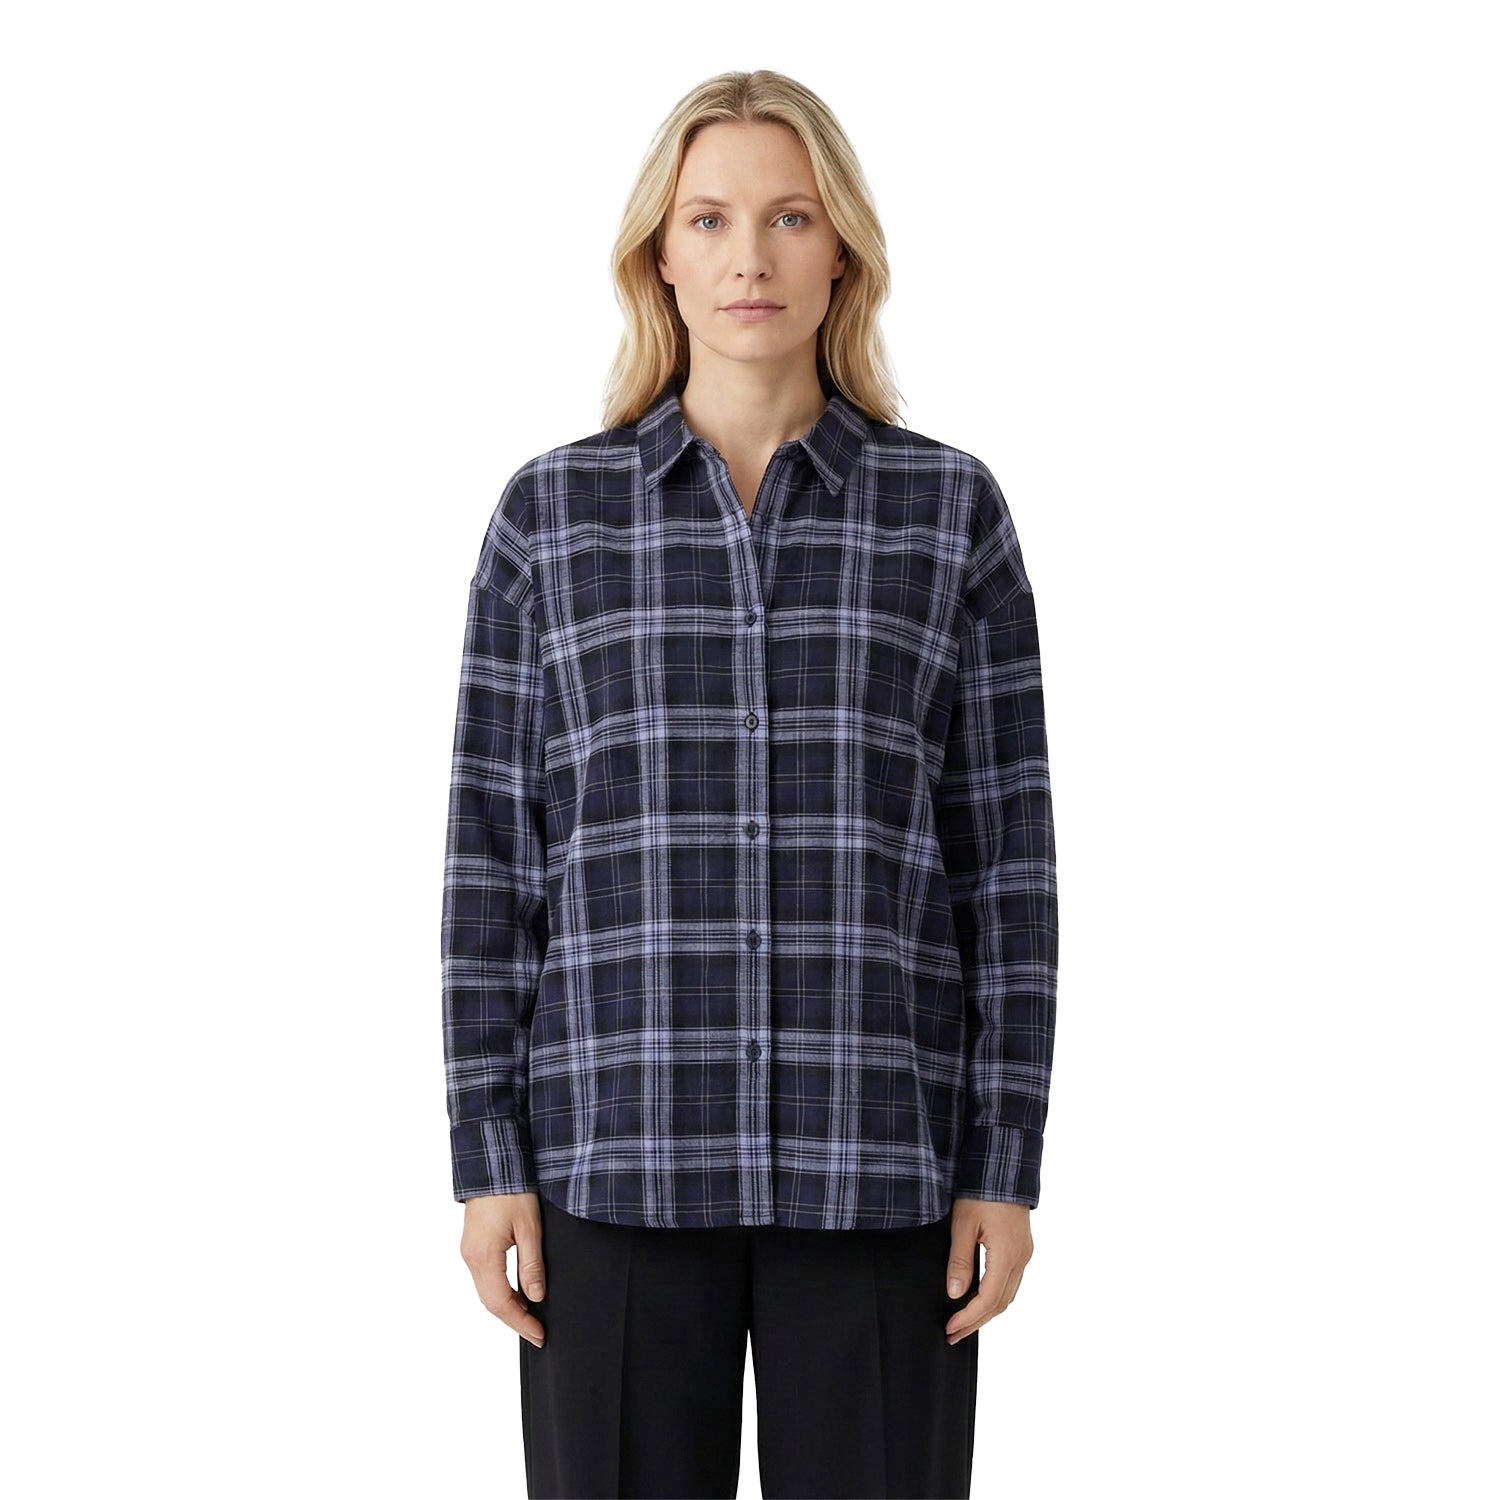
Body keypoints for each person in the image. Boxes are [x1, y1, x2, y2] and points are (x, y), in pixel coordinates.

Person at [441, 68, 1059, 1500]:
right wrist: (487, 1161)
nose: (750, 258)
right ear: (658, 255)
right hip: (615, 1157)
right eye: (709, 219)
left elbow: (1008, 870)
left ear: (842, 251)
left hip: (879, 1161)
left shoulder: (949, 513)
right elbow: (491, 860)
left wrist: (1004, 1165)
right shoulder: (551, 518)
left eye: (790, 217)